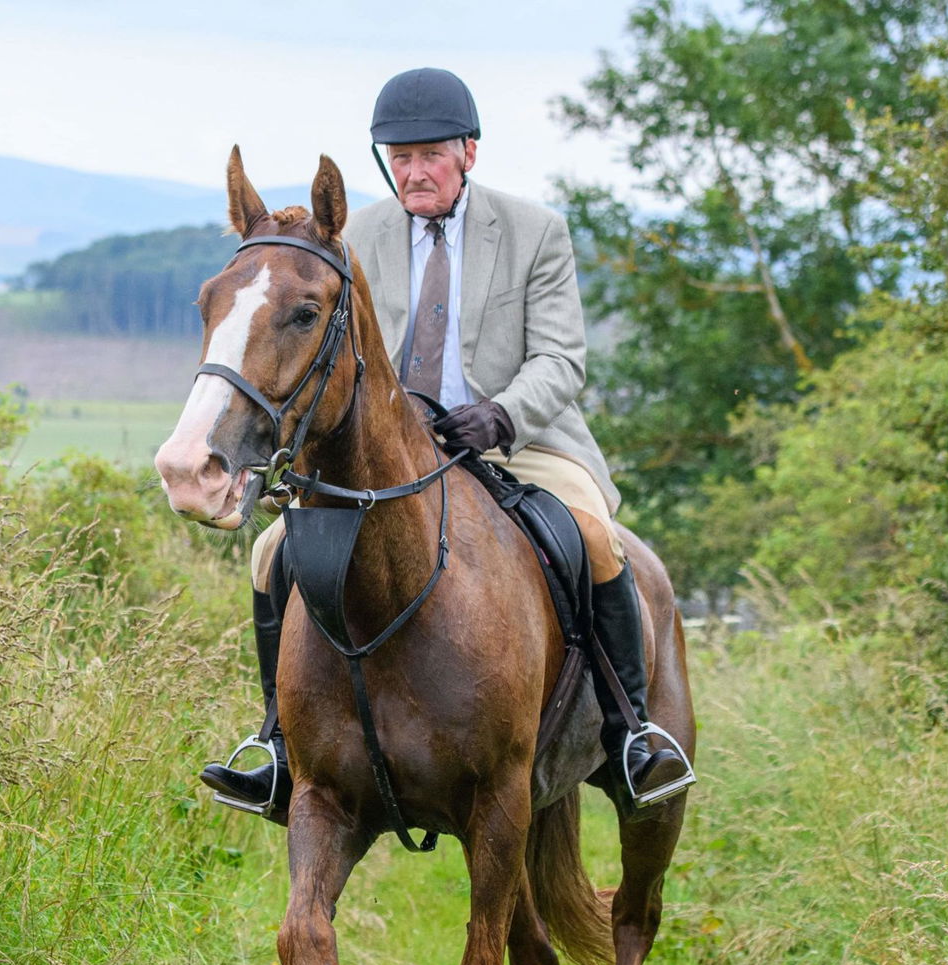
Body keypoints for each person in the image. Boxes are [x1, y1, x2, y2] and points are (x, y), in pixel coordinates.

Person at [201, 67, 694, 820]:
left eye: (429, 154)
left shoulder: (534, 231)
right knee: (275, 553)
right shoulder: (354, 236)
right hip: (396, 453)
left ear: (468, 152)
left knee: (595, 539)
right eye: (398, 157)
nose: (413, 171)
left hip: (515, 440)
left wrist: (500, 414)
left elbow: (561, 359)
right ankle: (275, 743)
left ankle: (634, 732)